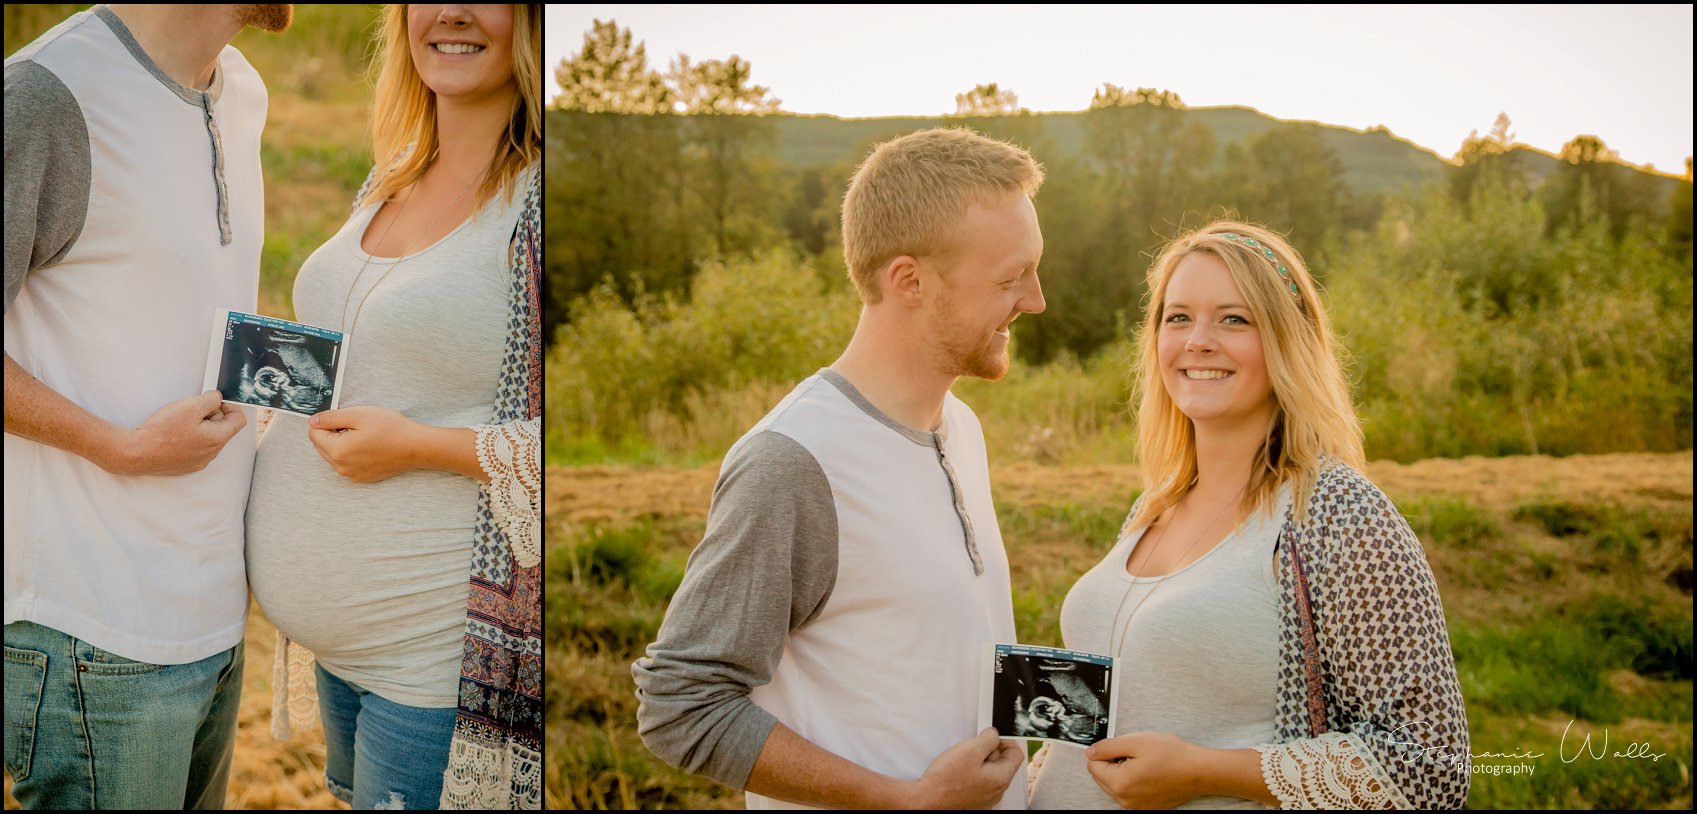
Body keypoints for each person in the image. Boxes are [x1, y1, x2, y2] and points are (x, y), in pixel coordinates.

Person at [633, 127, 1046, 810]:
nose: (1035, 300)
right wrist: (904, 799)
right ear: (907, 281)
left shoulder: (959, 428)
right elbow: (681, 704)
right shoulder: (793, 462)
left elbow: (930, 647)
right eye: (1010, 278)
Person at [1026, 221, 1470, 809]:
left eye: (1233, 319)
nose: (1198, 340)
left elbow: (1431, 767)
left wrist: (1202, 773)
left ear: (1288, 341)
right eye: (1177, 317)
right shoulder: (1153, 505)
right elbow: (1120, 703)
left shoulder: (1337, 514)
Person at [243, 4, 541, 809]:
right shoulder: (395, 172)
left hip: (435, 656)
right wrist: (253, 386)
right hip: (340, 653)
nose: (451, 12)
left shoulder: (537, 204)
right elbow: (368, 348)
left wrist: (417, 446)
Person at [3, 4, 290, 809]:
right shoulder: (47, 94)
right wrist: (115, 445)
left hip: (213, 620)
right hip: (93, 639)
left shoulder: (241, 91)